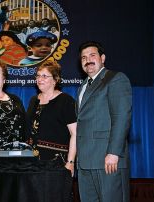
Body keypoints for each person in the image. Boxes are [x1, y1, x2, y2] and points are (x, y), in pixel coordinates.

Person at [76, 41, 132, 202]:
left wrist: (114, 153)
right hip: (85, 163)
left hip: (108, 160)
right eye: (83, 58)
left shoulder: (115, 79)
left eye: (92, 55)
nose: (88, 60)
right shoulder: (82, 87)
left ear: (103, 58)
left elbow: (121, 117)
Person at [27, 60, 77, 176]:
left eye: (44, 76)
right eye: (38, 76)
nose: (40, 79)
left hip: (57, 162)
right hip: (32, 162)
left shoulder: (66, 101)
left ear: (55, 79)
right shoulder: (33, 100)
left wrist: (70, 162)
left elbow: (75, 133)